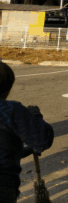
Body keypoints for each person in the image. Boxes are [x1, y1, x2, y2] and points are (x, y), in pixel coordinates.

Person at [0, 62, 54, 203]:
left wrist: (29, 150)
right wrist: (35, 115)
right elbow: (43, 139)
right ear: (8, 88)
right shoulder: (10, 111)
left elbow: (6, 149)